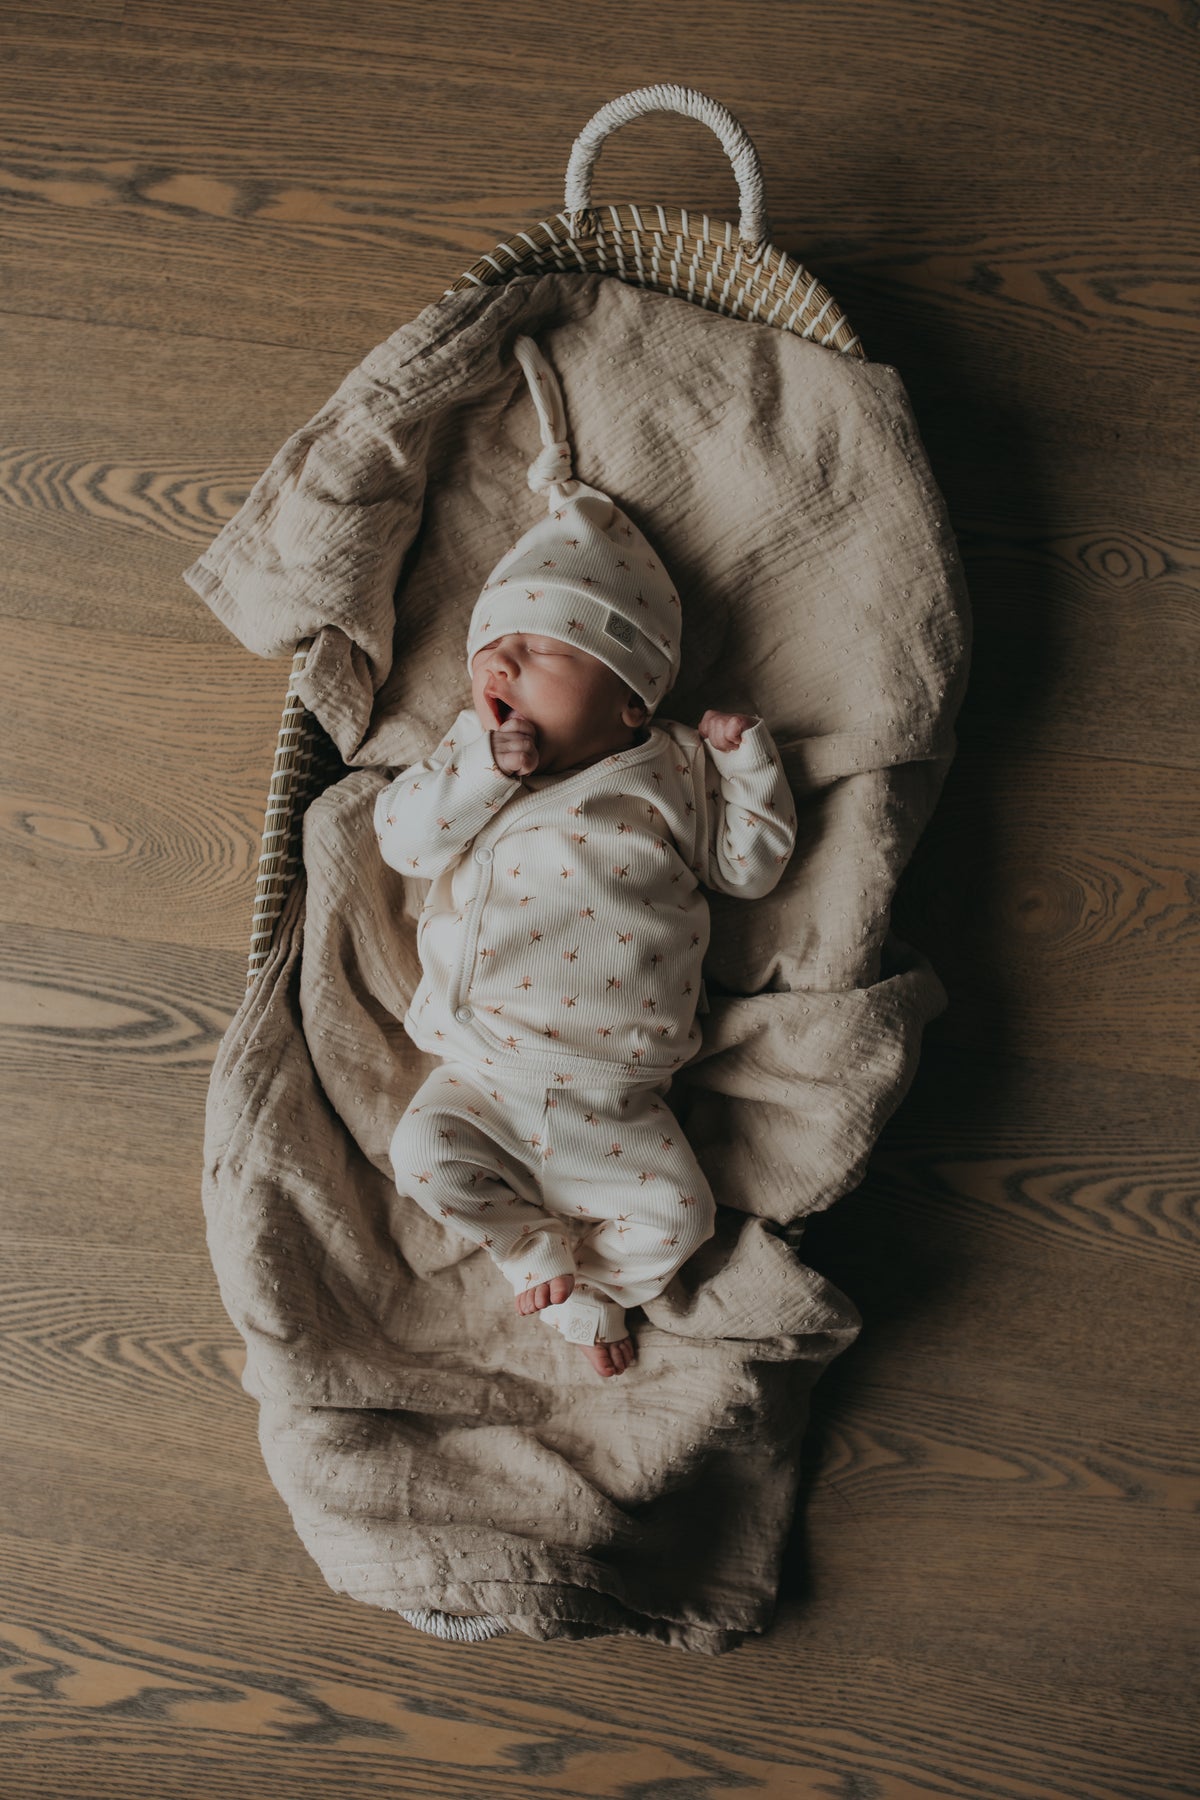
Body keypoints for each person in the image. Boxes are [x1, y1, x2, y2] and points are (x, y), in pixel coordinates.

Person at [375, 334, 797, 1378]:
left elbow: (751, 870)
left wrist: (752, 774)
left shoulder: (678, 772)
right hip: (479, 1066)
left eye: (544, 647)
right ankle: (530, 1250)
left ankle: (599, 1293)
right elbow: (402, 836)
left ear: (629, 699)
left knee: (682, 1216)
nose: (502, 659)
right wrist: (481, 770)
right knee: (421, 1154)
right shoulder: (466, 759)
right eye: (493, 647)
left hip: (620, 1093)